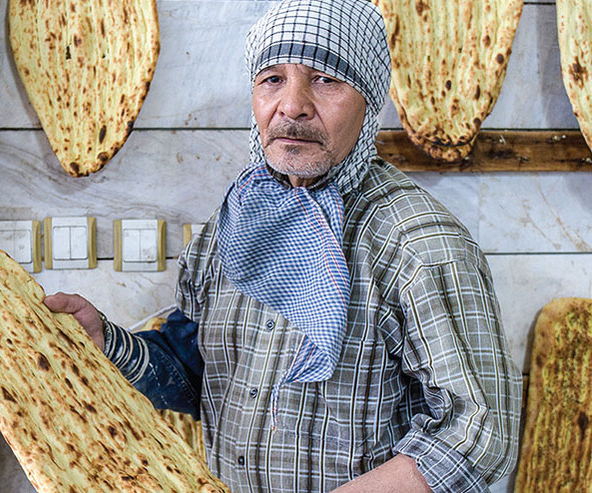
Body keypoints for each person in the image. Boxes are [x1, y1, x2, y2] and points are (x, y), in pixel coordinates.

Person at [45, 0, 522, 491]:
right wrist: (107, 342)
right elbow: (203, 376)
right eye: (273, 79)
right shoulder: (231, 226)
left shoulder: (418, 244)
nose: (292, 105)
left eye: (326, 78)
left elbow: (479, 434)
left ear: (370, 97)